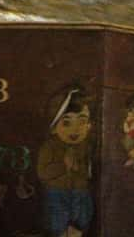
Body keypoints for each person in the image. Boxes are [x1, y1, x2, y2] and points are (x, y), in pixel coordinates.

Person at [38, 85, 93, 237]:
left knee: (79, 224)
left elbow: (87, 171)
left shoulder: (85, 146)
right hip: (57, 193)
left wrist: (80, 170)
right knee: (58, 226)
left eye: (81, 122)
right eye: (67, 123)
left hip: (80, 193)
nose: (75, 129)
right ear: (54, 127)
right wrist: (63, 166)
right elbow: (43, 172)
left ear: (89, 126)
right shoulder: (49, 147)